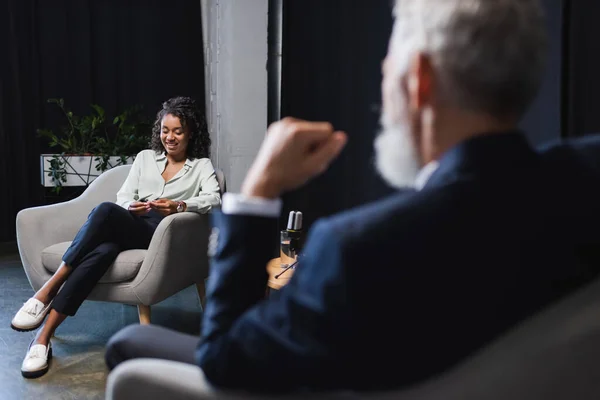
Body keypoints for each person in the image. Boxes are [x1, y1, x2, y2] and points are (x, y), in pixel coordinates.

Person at [105, 0, 600, 395]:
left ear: (419, 80)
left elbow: (224, 359)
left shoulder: (352, 250)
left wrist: (257, 195)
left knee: (129, 341)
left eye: (386, 67)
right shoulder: (585, 178)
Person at [11, 96, 221, 378]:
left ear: (191, 132)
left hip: (163, 232)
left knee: (105, 212)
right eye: (165, 130)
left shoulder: (201, 166)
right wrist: (130, 206)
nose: (169, 137)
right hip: (132, 222)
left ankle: (48, 289)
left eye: (178, 131)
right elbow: (124, 197)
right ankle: (42, 339)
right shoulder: (146, 159)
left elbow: (214, 199)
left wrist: (179, 205)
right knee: (103, 250)